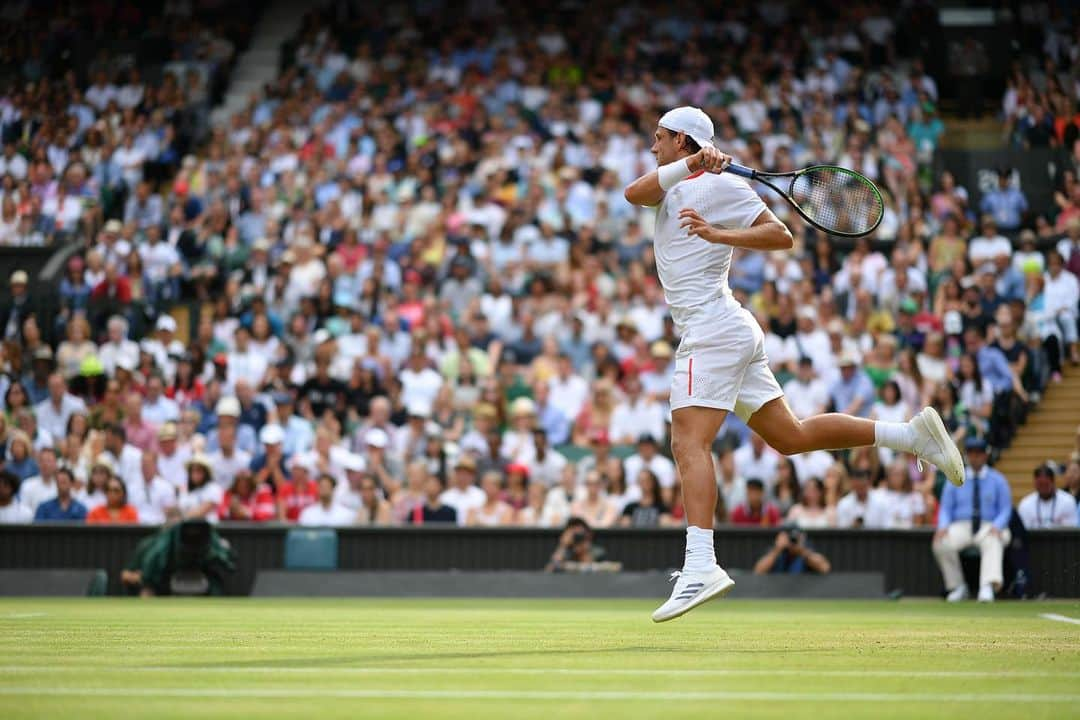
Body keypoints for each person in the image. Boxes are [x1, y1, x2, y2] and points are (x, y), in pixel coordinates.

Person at [624, 106, 963, 620]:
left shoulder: (726, 188)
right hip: (726, 330)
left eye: (658, 139)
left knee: (688, 441)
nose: (652, 147)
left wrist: (721, 235)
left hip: (713, 330)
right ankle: (909, 436)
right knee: (792, 438)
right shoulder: (675, 182)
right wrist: (693, 166)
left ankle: (700, 564)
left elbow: (780, 234)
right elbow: (635, 193)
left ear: (679, 139)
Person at [932, 437, 1013, 603]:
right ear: (966, 456)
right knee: (941, 542)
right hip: (961, 526)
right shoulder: (954, 478)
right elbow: (946, 508)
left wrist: (998, 526)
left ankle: (987, 586)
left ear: (985, 456)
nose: (975, 457)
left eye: (979, 454)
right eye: (971, 453)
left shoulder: (998, 480)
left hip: (988, 525)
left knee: (994, 539)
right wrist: (943, 526)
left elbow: (1006, 509)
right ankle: (957, 587)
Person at [1017, 464, 1079, 529]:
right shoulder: (1025, 504)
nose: (1043, 488)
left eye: (1046, 484)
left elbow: (1071, 531)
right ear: (1035, 483)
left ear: (1053, 482)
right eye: (1040, 484)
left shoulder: (1068, 501)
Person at [753, 526, 831, 575]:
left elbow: (825, 568)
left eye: (795, 539)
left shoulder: (806, 550)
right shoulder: (776, 550)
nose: (792, 541)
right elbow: (758, 571)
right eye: (789, 538)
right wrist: (777, 550)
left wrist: (802, 551)